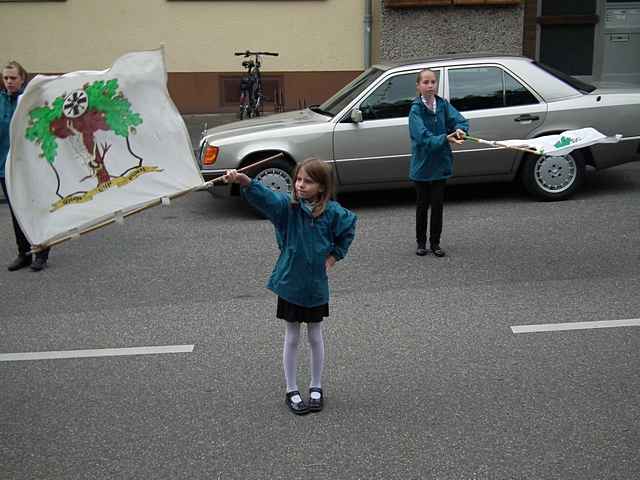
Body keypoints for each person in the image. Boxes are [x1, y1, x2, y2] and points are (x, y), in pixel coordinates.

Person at [223, 158, 357, 415]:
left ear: (322, 187)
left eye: (308, 181)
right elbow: (266, 198)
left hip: (316, 285)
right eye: (298, 179)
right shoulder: (288, 208)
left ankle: (316, 386)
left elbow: (348, 229)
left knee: (316, 335)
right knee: (292, 336)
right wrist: (245, 181)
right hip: (290, 283)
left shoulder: (333, 212)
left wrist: (334, 256)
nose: (300, 185)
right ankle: (291, 389)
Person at [409, 68, 468, 258]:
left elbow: (460, 121)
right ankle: (421, 243)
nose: (430, 86)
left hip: (441, 165)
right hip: (422, 166)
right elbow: (423, 138)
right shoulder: (415, 110)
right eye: (425, 82)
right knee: (422, 206)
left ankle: (435, 243)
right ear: (418, 86)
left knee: (438, 206)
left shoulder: (442, 105)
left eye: (433, 82)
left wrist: (459, 130)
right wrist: (446, 138)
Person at [1, 61, 51, 271]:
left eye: (13, 78)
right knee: (16, 212)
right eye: (6, 78)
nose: (9, 82)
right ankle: (24, 253)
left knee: (34, 208)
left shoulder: (29, 101)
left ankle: (40, 252)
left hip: (29, 165)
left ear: (22, 78)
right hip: (4, 166)